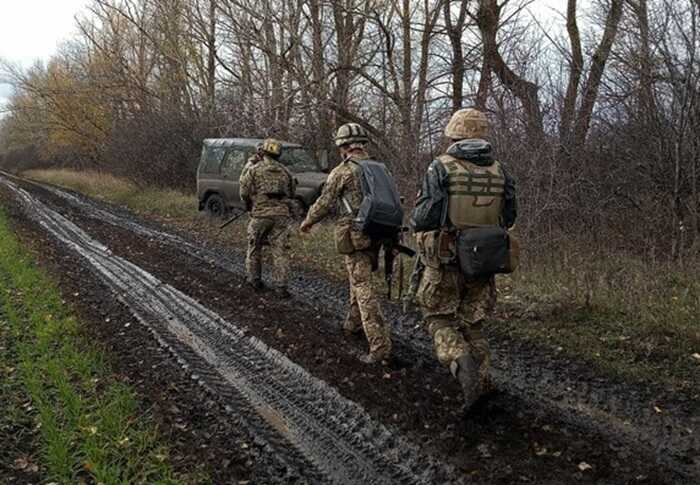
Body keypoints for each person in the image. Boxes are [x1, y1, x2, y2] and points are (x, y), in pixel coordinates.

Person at [410, 108, 517, 408]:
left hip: (447, 258)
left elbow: (426, 216)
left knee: (438, 316)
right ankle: (482, 380)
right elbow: (509, 216)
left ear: (454, 135)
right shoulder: (500, 170)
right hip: (485, 259)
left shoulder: (441, 167)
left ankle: (461, 360)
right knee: (474, 321)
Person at [300, 123, 392, 364]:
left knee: (362, 286)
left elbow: (325, 201)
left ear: (343, 147)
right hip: (377, 234)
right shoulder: (380, 168)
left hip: (355, 233)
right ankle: (353, 323)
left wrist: (307, 221)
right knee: (357, 277)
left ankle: (379, 345)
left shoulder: (343, 171)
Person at [239, 138, 296, 297]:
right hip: (281, 216)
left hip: (260, 215)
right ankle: (281, 287)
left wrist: (249, 205)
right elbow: (292, 193)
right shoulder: (286, 171)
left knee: (254, 247)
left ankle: (254, 280)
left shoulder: (254, 169)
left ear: (262, 152)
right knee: (281, 252)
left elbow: (243, 191)